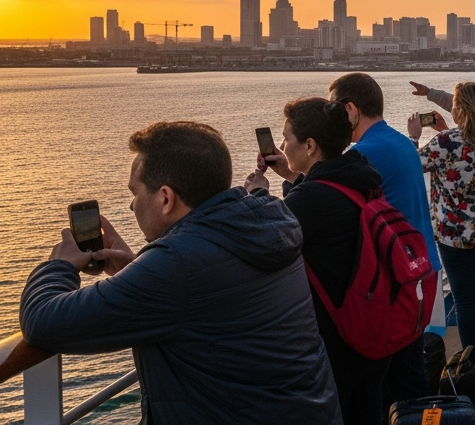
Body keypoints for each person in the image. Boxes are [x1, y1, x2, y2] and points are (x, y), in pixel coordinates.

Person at [20, 122, 341, 423]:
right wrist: (138, 268)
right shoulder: (268, 222)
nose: (132, 206)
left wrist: (59, 266)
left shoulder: (177, 266)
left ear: (165, 198)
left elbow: (42, 322)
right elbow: (210, 301)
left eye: (135, 193)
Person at [252, 97, 393, 423]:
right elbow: (328, 201)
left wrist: (257, 195)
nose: (282, 146)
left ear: (310, 145)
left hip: (334, 342)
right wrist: (291, 174)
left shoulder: (311, 199)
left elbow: (264, 245)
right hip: (370, 328)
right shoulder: (360, 173)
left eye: (287, 138)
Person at [333, 72, 439, 408]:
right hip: (420, 270)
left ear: (351, 110)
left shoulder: (364, 154)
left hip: (397, 282)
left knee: (394, 383)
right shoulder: (399, 142)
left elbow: (330, 202)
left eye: (334, 109)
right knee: (409, 372)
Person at [415, 82, 475, 354]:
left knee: (466, 299)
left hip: (455, 234)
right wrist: (445, 129)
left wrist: (413, 136)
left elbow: (413, 164)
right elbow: (468, 149)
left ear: (462, 108)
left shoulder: (445, 143)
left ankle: (472, 362)